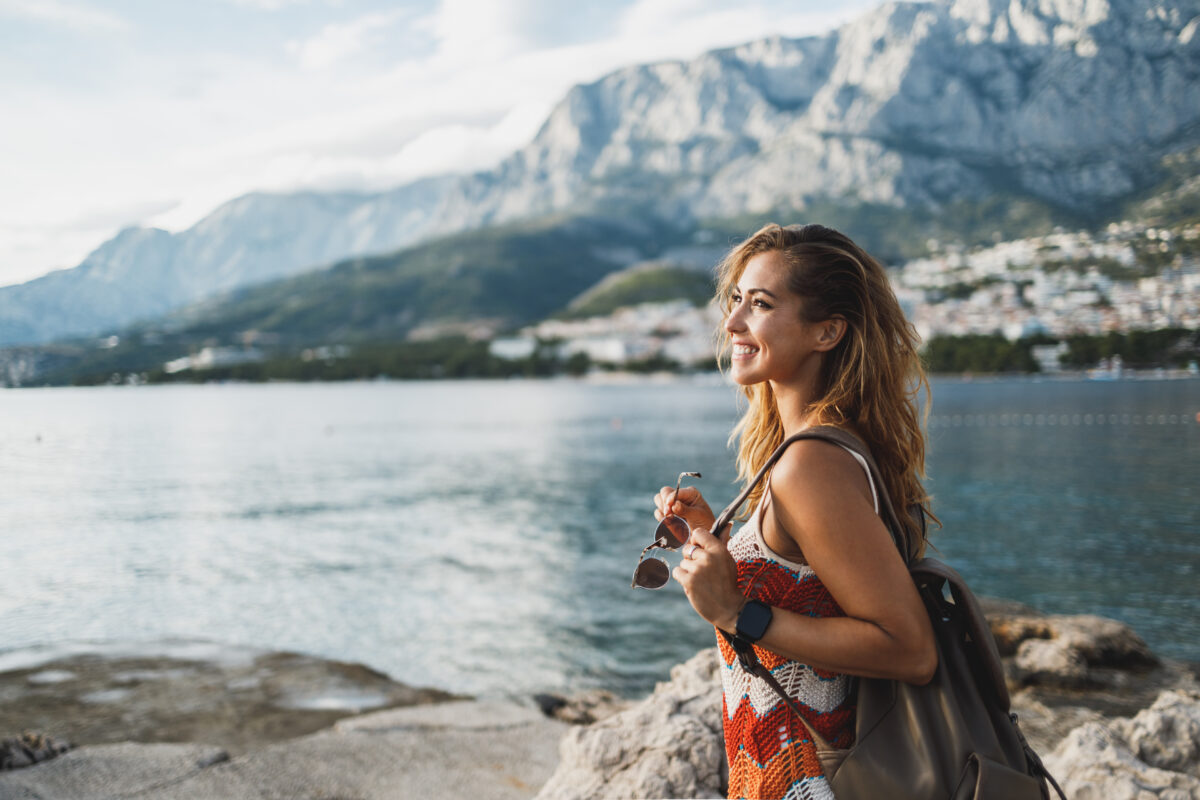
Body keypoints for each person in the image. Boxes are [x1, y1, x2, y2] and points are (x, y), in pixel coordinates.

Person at [653, 223, 938, 800]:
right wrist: (714, 541)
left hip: (807, 783)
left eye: (760, 304)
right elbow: (811, 588)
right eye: (736, 300)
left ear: (826, 331)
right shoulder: (820, 448)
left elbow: (910, 650)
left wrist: (735, 611)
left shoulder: (811, 464)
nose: (732, 323)